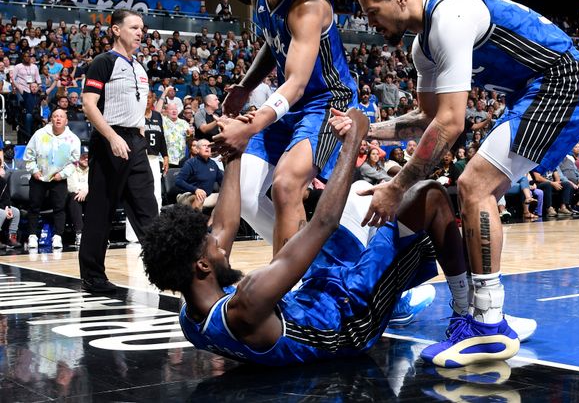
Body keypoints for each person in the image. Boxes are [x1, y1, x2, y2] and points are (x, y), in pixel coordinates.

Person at [352, 0, 579, 366]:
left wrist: (397, 188)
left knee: (473, 185)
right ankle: (486, 315)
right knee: (474, 190)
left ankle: (487, 325)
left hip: (564, 83)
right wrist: (367, 129)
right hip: (532, 92)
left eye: (372, 12)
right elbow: (427, 119)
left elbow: (450, 126)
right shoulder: (422, 45)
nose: (369, 24)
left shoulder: (449, 18)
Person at [141, 109, 497, 367]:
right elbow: (322, 223)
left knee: (313, 227)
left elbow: (224, 225)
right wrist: (354, 137)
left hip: (319, 297)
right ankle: (466, 314)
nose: (220, 242)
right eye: (212, 246)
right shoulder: (246, 304)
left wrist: (236, 152)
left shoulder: (191, 317)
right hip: (352, 318)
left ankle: (405, 292)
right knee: (430, 196)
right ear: (201, 264)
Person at [214, 0, 357, 255]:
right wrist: (245, 86)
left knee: (287, 185)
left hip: (327, 102)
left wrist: (249, 127)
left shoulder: (307, 6)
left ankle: (287, 289)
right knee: (247, 194)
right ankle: (308, 268)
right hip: (290, 105)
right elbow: (273, 42)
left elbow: (296, 83)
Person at [80, 9, 158, 294]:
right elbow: (89, 104)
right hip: (108, 139)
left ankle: (167, 273)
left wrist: (139, 131)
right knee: (101, 211)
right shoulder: (103, 62)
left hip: (135, 142)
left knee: (148, 210)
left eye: (142, 28)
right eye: (134, 27)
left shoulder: (140, 67)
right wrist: (112, 136)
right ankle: (92, 277)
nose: (140, 32)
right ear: (115, 30)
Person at [23, 109, 81, 250]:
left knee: (59, 209)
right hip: (39, 177)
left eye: (61, 116)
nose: (58, 119)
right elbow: (29, 154)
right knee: (34, 207)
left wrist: (62, 174)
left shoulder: (73, 139)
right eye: (55, 116)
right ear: (51, 119)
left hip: (58, 178)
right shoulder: (39, 134)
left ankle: (57, 237)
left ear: (66, 121)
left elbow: (74, 162)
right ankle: (32, 236)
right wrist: (34, 170)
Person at [126, 91, 169, 243]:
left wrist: (165, 155)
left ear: (153, 100)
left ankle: (154, 231)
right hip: (138, 158)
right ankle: (132, 235)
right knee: (136, 195)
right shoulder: (135, 115)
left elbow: (161, 137)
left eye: (150, 97)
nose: (148, 100)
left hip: (154, 158)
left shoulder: (157, 116)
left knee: (156, 195)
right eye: (145, 97)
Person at [175, 139, 224, 210]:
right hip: (187, 195)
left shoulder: (213, 164)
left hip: (207, 196)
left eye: (209, 146)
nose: (207, 147)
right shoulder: (191, 163)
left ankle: (213, 220)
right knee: (200, 196)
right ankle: (195, 220)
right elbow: (178, 181)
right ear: (197, 150)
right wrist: (196, 190)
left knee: (227, 196)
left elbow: (222, 182)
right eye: (204, 146)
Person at [66, 147, 90, 247]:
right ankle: (79, 233)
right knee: (74, 198)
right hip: (76, 196)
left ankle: (96, 233)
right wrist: (80, 191)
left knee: (98, 198)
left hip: (89, 195)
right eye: (83, 157)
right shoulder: (71, 169)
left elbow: (96, 184)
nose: (86, 159)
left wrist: (86, 191)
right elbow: (71, 186)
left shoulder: (94, 169)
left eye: (88, 157)